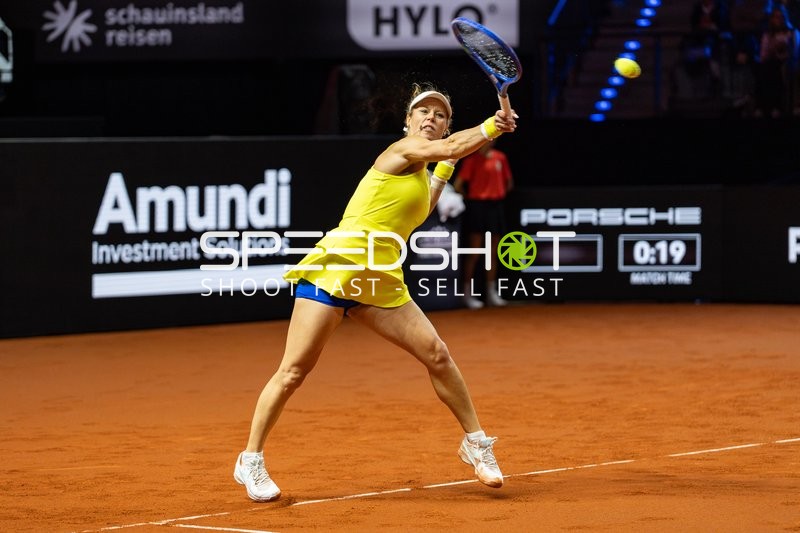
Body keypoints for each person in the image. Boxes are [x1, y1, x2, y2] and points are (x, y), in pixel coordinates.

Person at [232, 83, 518, 502]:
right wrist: (493, 125)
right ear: (407, 121)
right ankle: (250, 460)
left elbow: (425, 201)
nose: (431, 118)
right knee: (293, 371)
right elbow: (452, 146)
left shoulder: (423, 176)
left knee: (437, 354)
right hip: (336, 270)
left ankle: (475, 443)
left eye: (440, 115)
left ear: (445, 126)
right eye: (423, 111)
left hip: (379, 280)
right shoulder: (399, 151)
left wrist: (447, 167)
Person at [453, 140, 513, 309]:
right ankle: (467, 294)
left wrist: (496, 193)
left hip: (495, 207)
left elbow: (509, 183)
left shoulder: (500, 158)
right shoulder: (471, 160)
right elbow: (458, 185)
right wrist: (472, 199)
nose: (490, 141)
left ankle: (491, 293)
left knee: (492, 252)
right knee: (474, 252)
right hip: (477, 207)